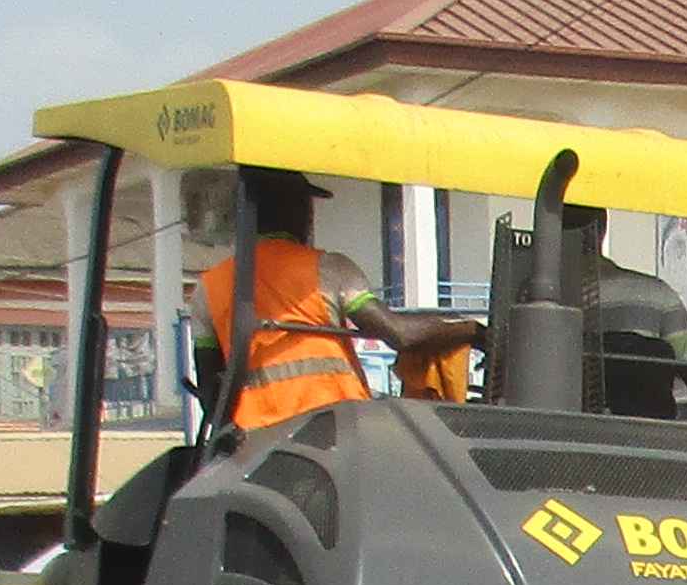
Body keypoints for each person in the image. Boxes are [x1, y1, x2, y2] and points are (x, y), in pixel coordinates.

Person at [204, 169, 483, 429]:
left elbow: (210, 387)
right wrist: (471, 331)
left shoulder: (209, 287)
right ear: (299, 213)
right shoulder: (329, 269)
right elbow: (400, 334)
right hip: (336, 431)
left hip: (255, 440)